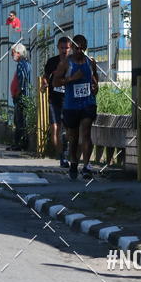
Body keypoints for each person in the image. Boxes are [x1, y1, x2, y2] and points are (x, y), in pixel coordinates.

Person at [53, 34, 98, 180]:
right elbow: (55, 82)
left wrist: (95, 86)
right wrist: (72, 78)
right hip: (71, 105)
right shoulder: (66, 63)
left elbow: (94, 78)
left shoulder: (90, 62)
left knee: (86, 132)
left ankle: (86, 166)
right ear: (72, 48)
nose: (79, 51)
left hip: (88, 103)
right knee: (73, 137)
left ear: (85, 48)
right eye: (76, 48)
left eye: (82, 48)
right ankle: (73, 162)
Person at [41, 36, 71, 168]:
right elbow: (45, 77)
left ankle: (67, 149)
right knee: (55, 128)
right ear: (58, 48)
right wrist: (44, 84)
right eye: (62, 48)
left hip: (70, 100)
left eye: (67, 48)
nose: (64, 50)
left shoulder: (73, 62)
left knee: (69, 130)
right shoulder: (52, 62)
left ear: (71, 48)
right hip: (54, 100)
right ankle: (62, 157)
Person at [7, 43, 32, 151]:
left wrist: (18, 93)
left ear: (18, 53)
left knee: (19, 120)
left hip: (21, 97)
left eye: (13, 53)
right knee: (19, 120)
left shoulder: (21, 64)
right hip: (21, 96)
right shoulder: (24, 63)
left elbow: (23, 80)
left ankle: (19, 144)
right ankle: (19, 143)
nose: (11, 55)